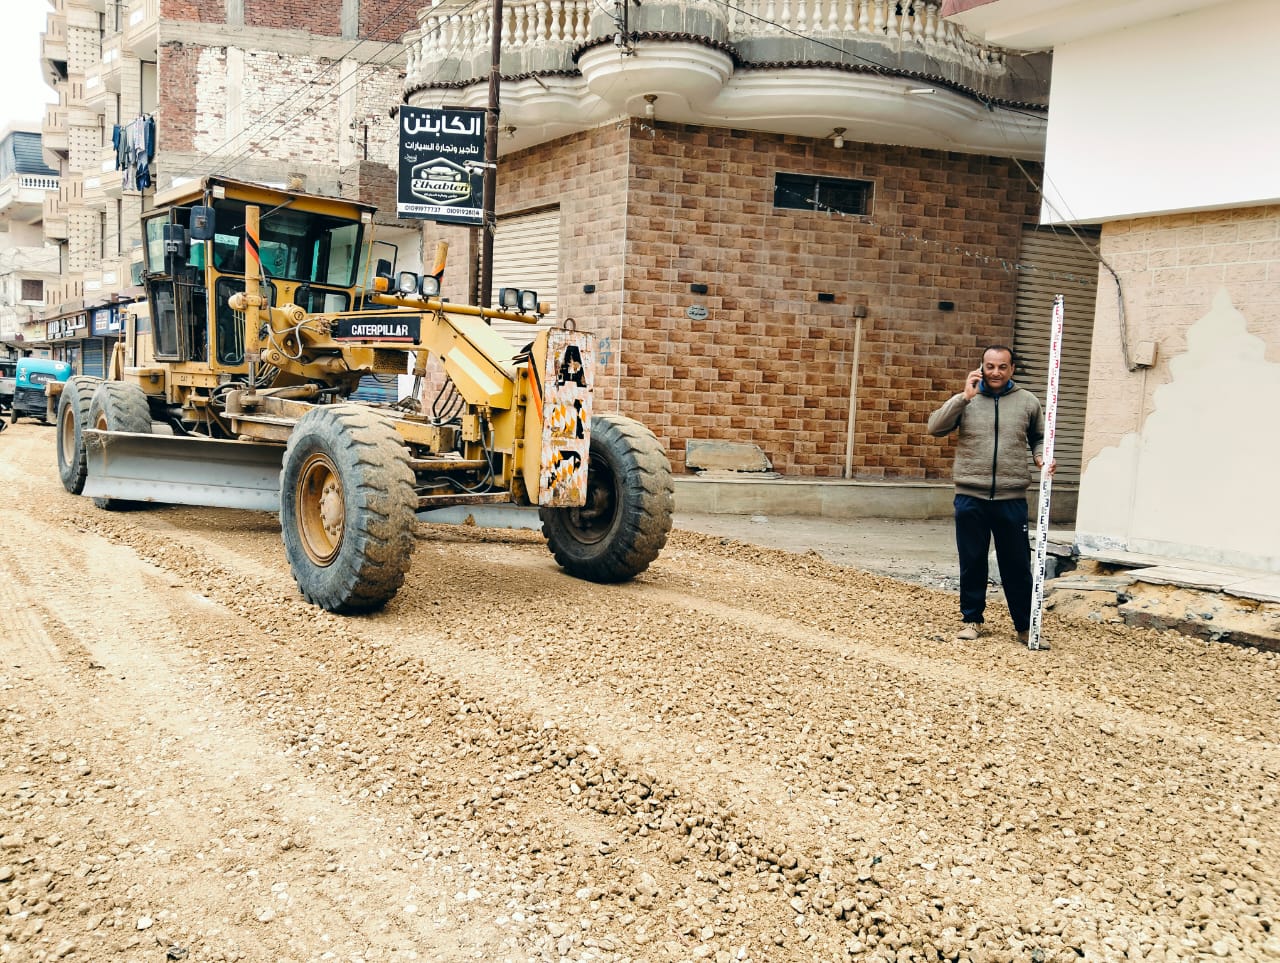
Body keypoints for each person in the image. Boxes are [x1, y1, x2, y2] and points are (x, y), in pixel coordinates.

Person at [927, 345, 1054, 648]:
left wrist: (1041, 457)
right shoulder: (967, 400)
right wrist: (963, 397)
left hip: (1011, 497)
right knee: (972, 560)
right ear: (981, 368)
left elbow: (1039, 437)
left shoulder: (1027, 401)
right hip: (970, 495)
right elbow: (935, 428)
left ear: (1012, 369)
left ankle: (1025, 627)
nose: (996, 372)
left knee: (1017, 565)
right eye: (990, 366)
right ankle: (972, 619)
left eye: (1002, 366)